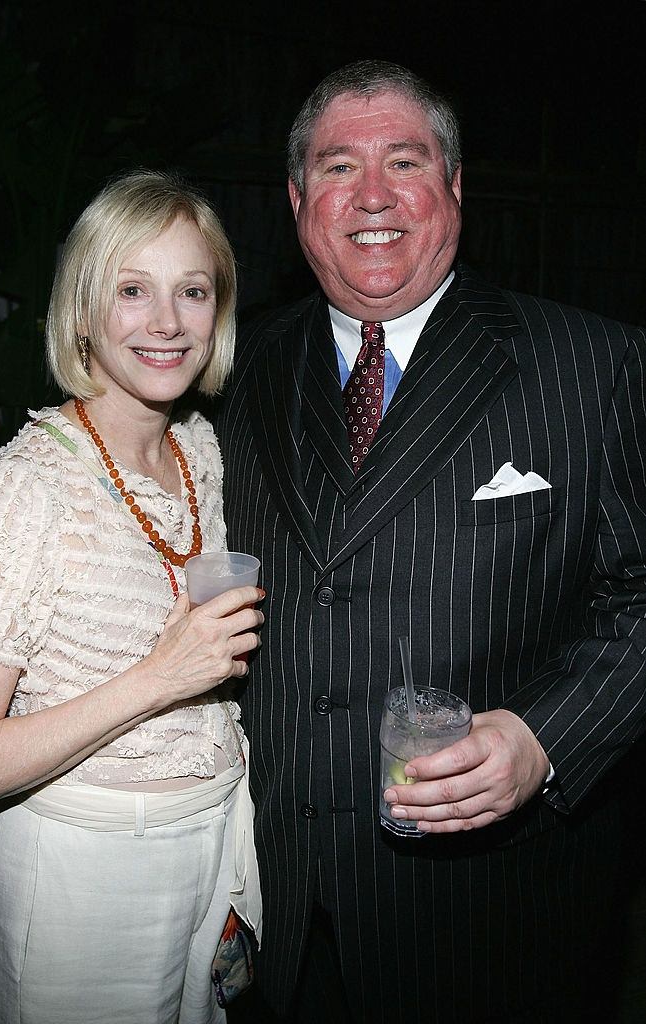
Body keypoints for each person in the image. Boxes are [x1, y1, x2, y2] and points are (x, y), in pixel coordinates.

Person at [217, 60, 646, 1023]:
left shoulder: (592, 365)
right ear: (295, 200)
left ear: (453, 188)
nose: (371, 195)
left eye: (403, 161)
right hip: (277, 898)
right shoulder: (237, 368)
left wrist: (546, 738)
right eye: (336, 168)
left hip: (492, 914)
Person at [0, 169, 264, 1024]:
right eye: (132, 289)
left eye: (192, 291)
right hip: (81, 867)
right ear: (83, 311)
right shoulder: (18, 493)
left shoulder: (201, 453)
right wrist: (159, 677)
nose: (166, 322)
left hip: (214, 840)